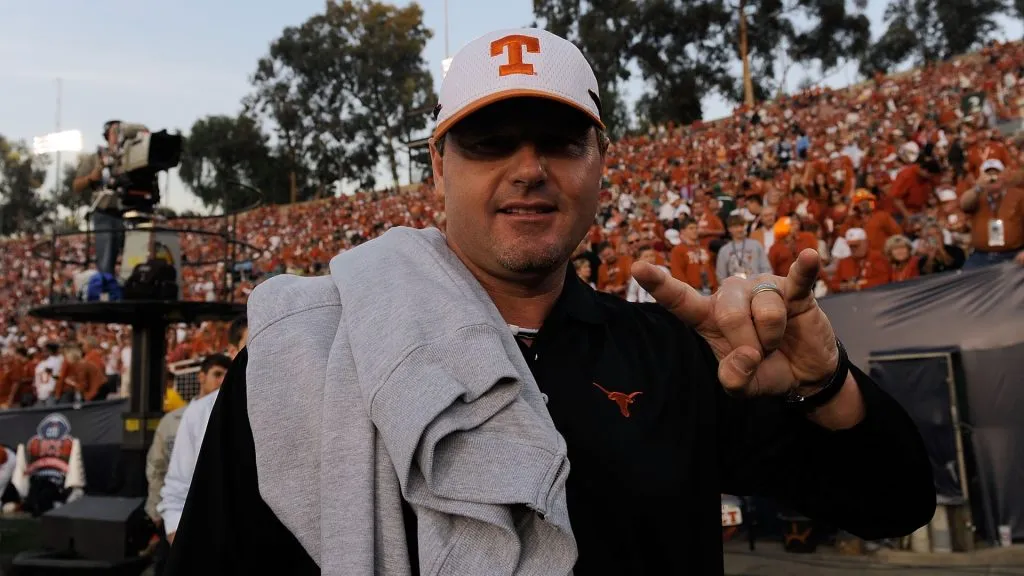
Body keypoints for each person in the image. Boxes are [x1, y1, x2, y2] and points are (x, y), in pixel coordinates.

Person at [167, 29, 933, 576]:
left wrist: (823, 380)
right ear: (439, 167)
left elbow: (894, 504)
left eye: (560, 141)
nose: (528, 168)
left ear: (602, 162)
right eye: (490, 142)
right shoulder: (311, 353)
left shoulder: (669, 353)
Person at [147, 353, 232, 574]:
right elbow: (158, 468)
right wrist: (161, 517)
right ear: (201, 377)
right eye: (217, 374)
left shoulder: (228, 414)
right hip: (176, 521)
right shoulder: (175, 419)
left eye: (226, 375)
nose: (222, 380)